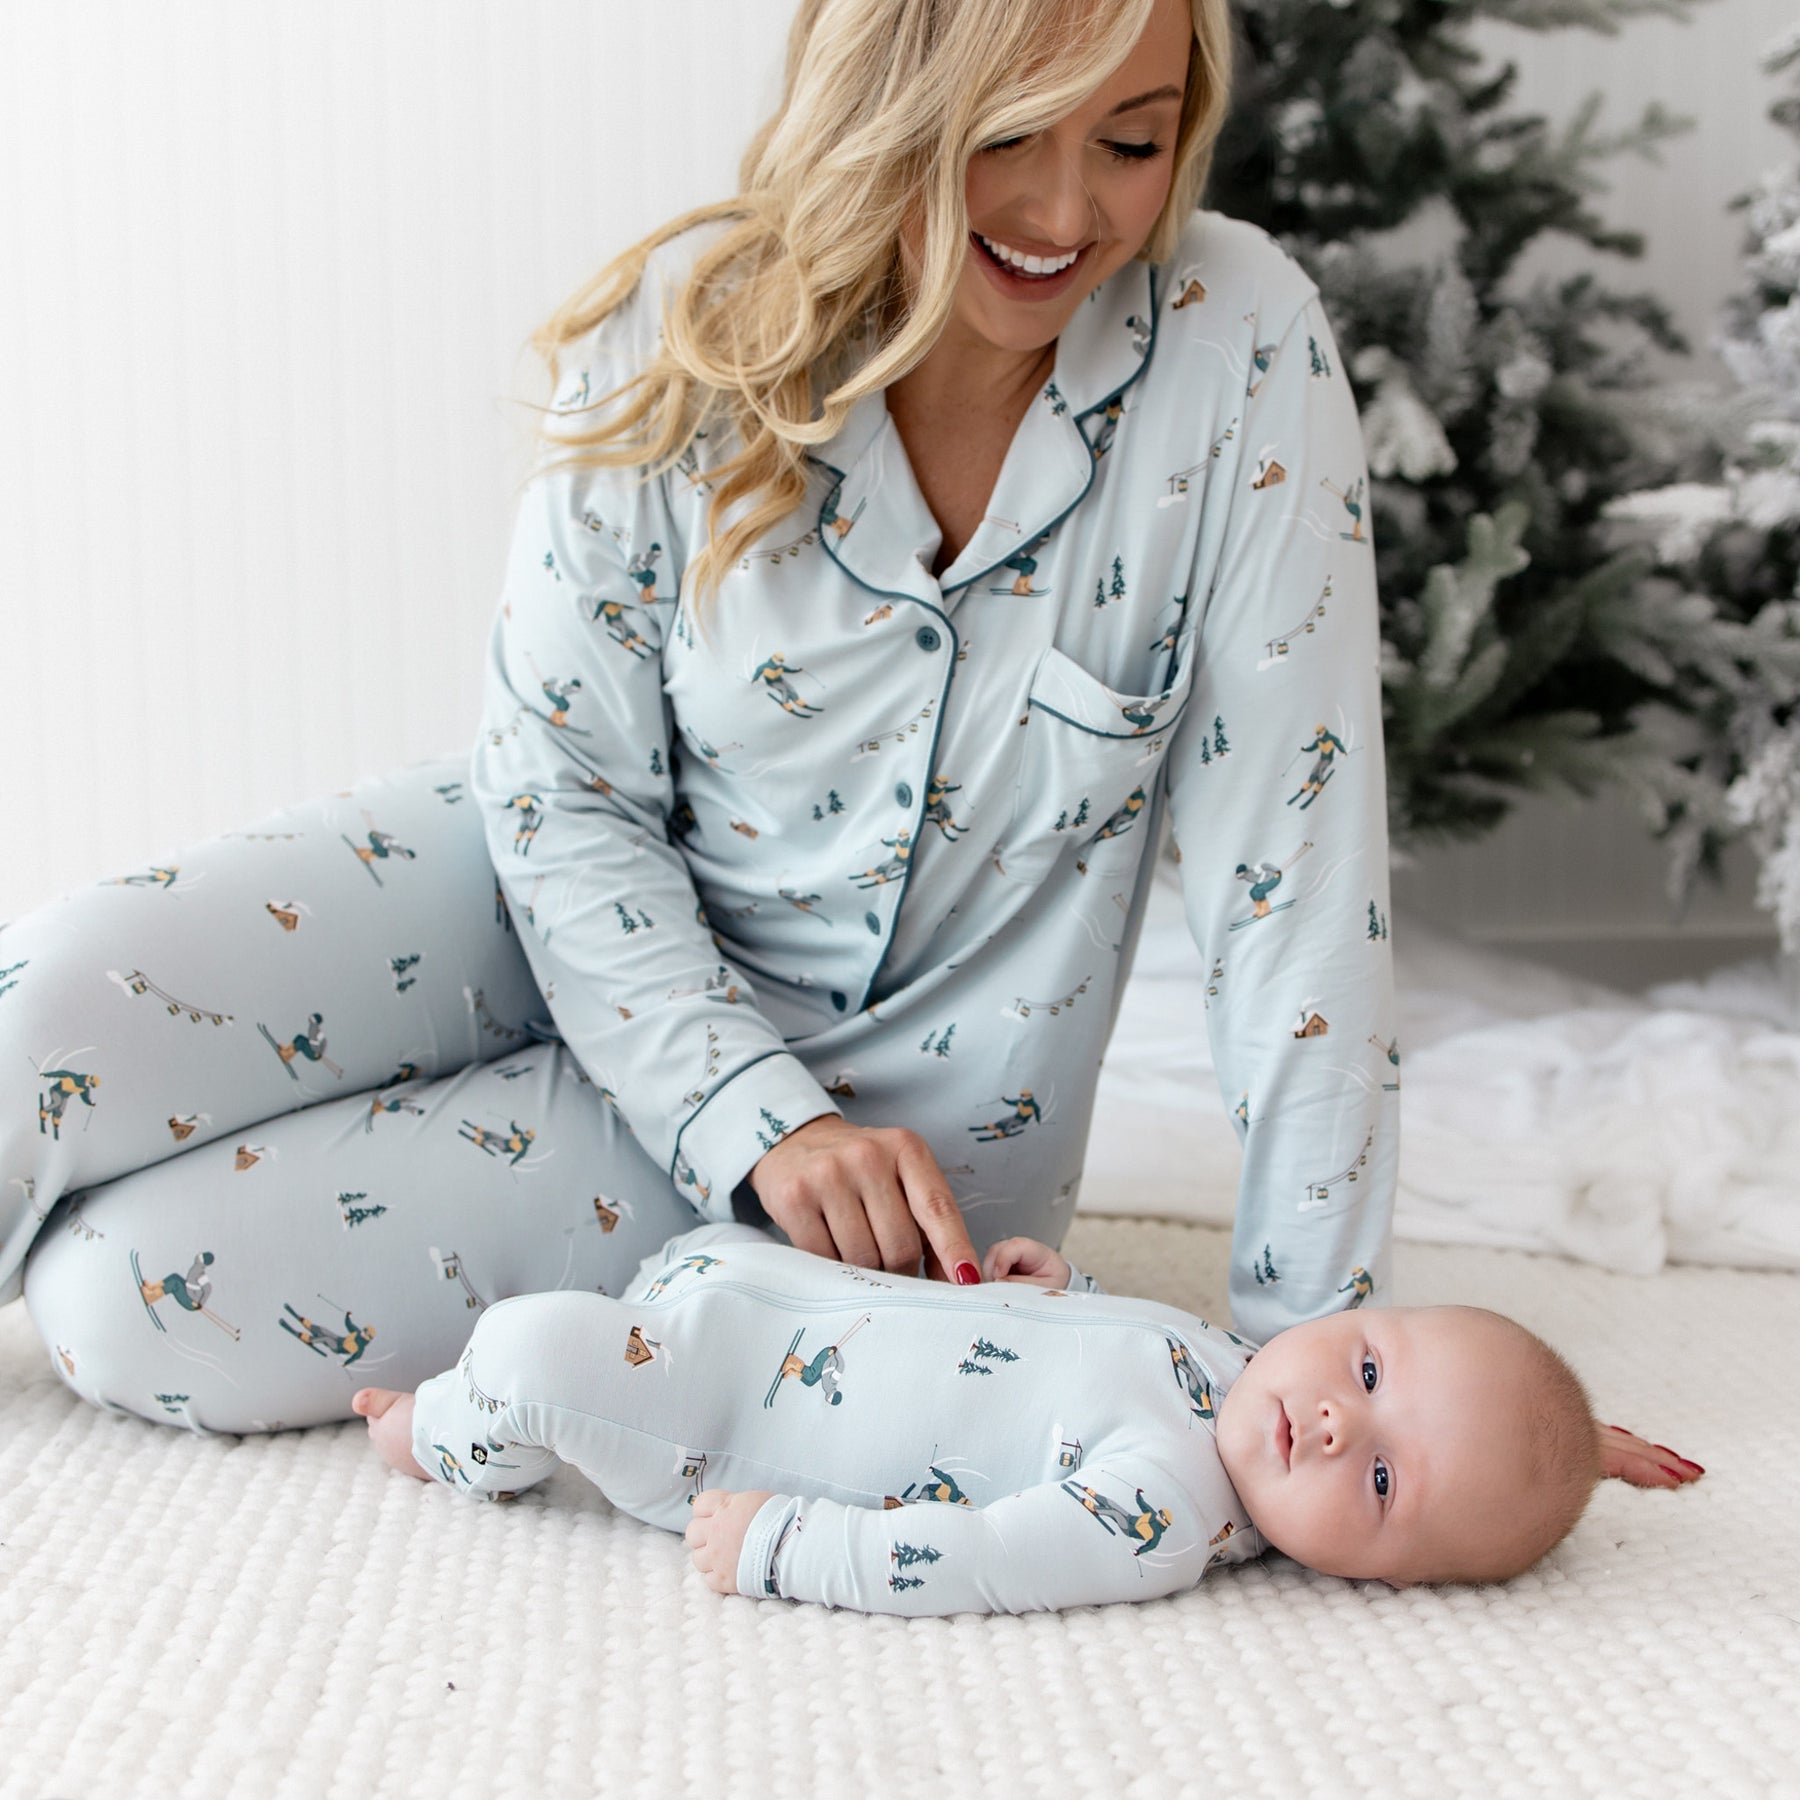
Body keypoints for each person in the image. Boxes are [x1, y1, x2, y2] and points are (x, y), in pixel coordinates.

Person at [0, 0, 1692, 1485]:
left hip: (885, 1157)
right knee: (57, 996)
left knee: (131, 1303)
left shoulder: (1235, 344)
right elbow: (564, 793)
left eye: (1131, 139)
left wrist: (1323, 1358)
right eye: (1003, 134)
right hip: (556, 896)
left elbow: (1293, 881)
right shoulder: (687, 326)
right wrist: (742, 1102)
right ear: (891, 95)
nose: (1066, 208)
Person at [349, 1218, 1691, 1614]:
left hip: (711, 1420)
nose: (1339, 1423)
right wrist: (1057, 1295)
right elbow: (1091, 1356)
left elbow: (976, 1558)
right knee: (656, 1264)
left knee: (536, 1350)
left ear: (1376, 1577)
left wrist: (784, 1548)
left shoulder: (1164, 1509)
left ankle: (447, 1435)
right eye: (1374, 1374)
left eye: (1386, 1485)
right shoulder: (1231, 1370)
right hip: (771, 1293)